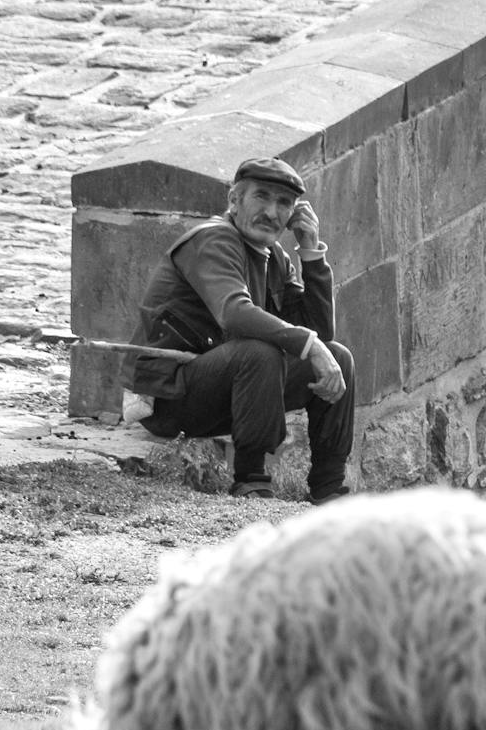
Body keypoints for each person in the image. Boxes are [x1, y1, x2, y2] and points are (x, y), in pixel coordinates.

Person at [124, 156, 355, 502]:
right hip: (171, 396)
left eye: (283, 203)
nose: (272, 213)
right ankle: (251, 479)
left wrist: (310, 253)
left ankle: (329, 486)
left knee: (339, 357)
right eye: (261, 197)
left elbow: (319, 332)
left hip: (227, 389)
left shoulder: (274, 256)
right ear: (235, 200)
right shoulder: (214, 239)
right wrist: (309, 344)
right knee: (259, 351)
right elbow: (234, 313)